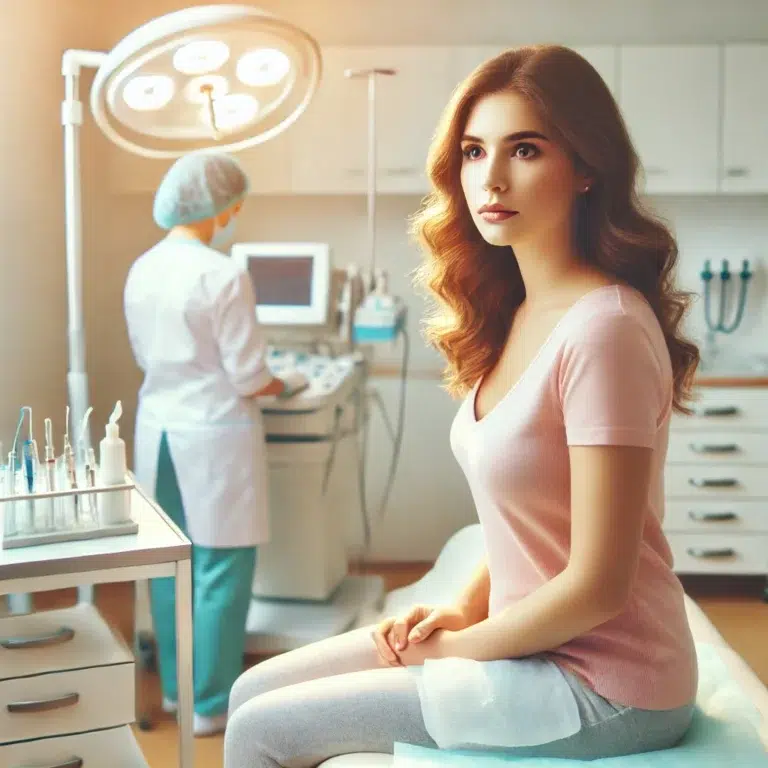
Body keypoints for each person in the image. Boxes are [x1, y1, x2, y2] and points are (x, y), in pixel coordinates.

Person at [223, 44, 701, 766]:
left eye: (526, 149)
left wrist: (457, 650)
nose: (492, 177)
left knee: (261, 733)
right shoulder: (519, 312)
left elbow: (600, 584)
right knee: (247, 695)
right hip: (534, 642)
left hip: (608, 683)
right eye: (474, 151)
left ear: (586, 169)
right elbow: (531, 524)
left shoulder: (605, 328)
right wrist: (461, 608)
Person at [124, 151, 307, 737]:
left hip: (159, 430)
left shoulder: (142, 268)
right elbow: (251, 377)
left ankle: (179, 694)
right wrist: (291, 379)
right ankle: (210, 706)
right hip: (214, 435)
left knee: (169, 564)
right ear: (223, 206)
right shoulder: (221, 273)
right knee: (221, 568)